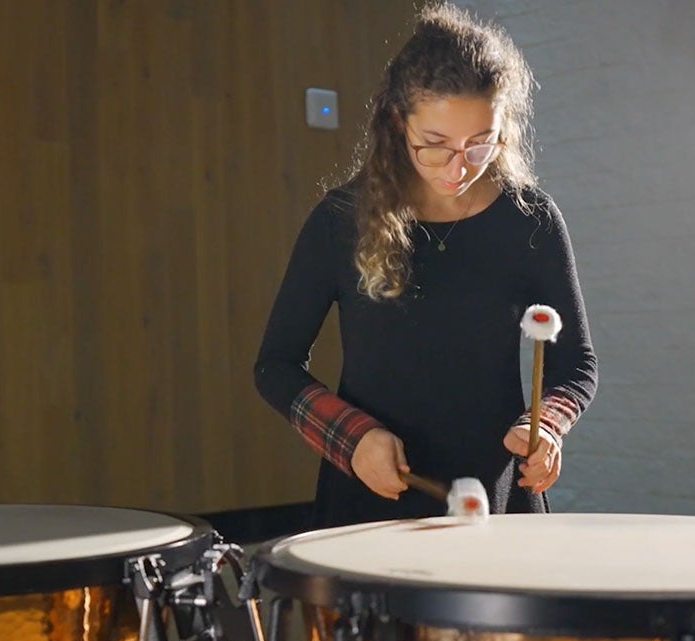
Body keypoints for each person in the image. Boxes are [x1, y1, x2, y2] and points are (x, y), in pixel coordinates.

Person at [254, 3, 598, 529]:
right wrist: (351, 439)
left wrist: (546, 427)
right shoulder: (340, 221)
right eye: (434, 146)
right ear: (397, 122)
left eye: (479, 144)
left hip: (496, 503)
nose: (458, 168)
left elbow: (576, 365)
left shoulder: (530, 220)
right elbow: (275, 366)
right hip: (370, 502)